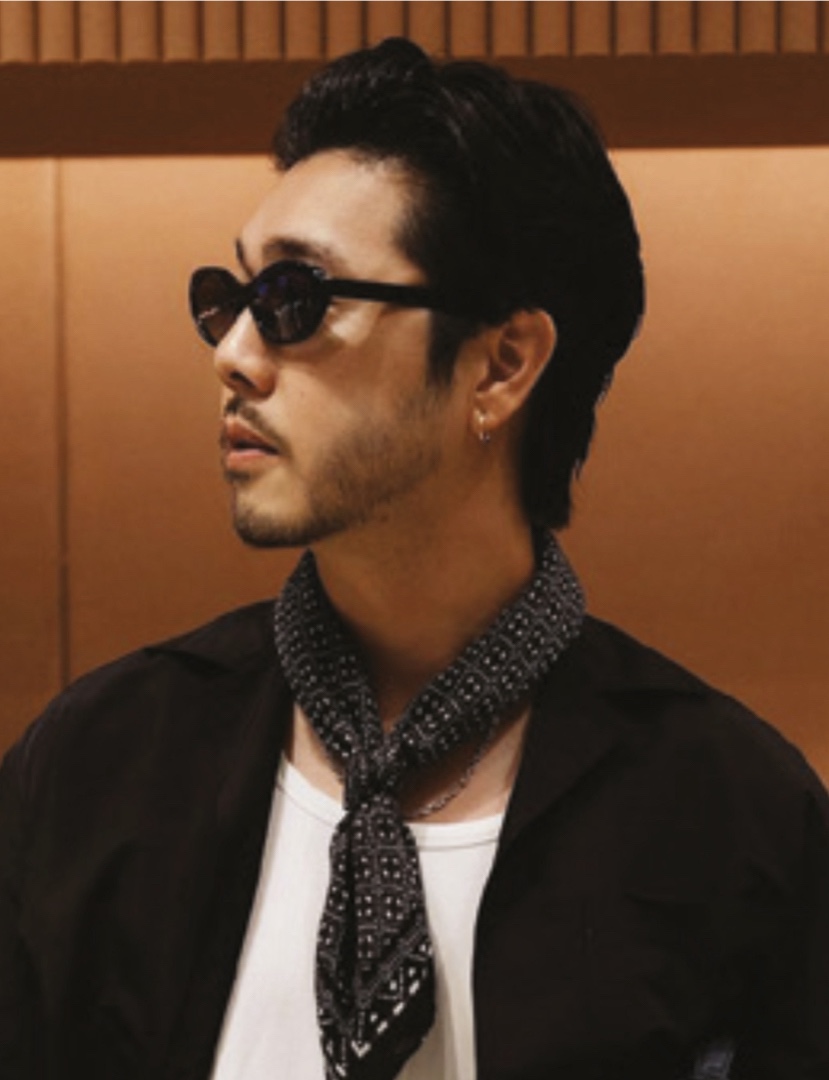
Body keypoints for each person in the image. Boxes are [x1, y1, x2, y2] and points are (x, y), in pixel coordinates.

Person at [1, 36, 828, 1080]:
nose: (234, 355)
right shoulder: (100, 763)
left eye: (296, 297)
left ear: (502, 364)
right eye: (231, 297)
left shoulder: (729, 819)